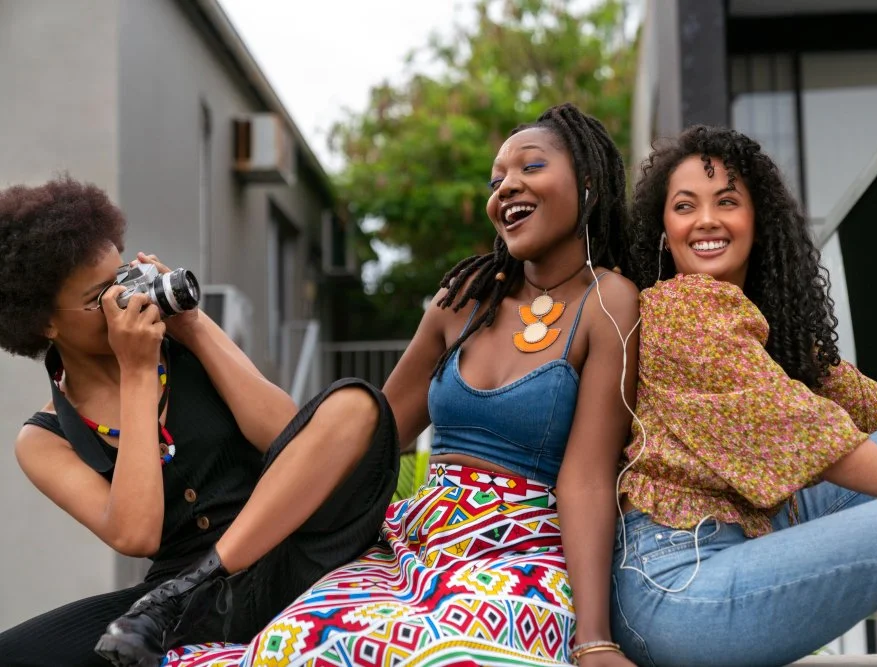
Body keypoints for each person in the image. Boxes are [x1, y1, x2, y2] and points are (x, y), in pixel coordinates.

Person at [160, 103, 641, 667]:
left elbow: (587, 478)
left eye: (530, 167)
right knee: (293, 646)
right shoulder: (460, 301)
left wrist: (595, 640)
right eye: (496, 179)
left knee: (448, 656)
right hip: (415, 547)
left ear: (587, 185)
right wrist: (196, 337)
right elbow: (368, 438)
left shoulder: (608, 301)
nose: (506, 187)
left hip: (523, 554)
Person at [612, 126, 877, 666]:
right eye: (685, 206)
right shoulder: (680, 312)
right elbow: (816, 438)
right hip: (677, 586)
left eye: (727, 201)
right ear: (663, 229)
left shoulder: (765, 325)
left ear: (758, 222)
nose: (706, 220)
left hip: (742, 547)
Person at [0, 177, 399, 667]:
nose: (121, 300)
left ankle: (194, 591)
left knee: (357, 404)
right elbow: (137, 534)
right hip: (181, 596)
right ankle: (192, 595)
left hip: (289, 547)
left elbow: (282, 434)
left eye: (122, 277)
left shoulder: (183, 344)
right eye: (98, 297)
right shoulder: (44, 439)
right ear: (44, 322)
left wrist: (193, 325)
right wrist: (138, 373)